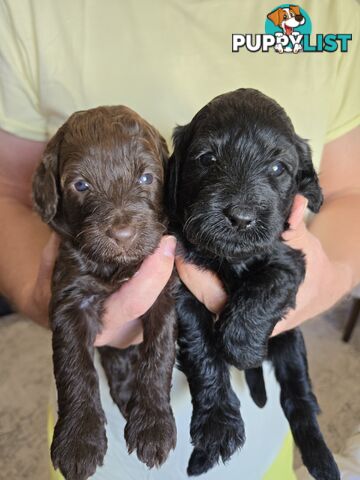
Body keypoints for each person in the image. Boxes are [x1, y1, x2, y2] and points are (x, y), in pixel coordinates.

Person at [0, 1, 359, 479]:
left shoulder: (338, 12)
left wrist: (326, 281)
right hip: (97, 430)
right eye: (207, 161)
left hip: (258, 429)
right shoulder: (28, 10)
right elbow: (9, 191)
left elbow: (350, 191)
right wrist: (42, 292)